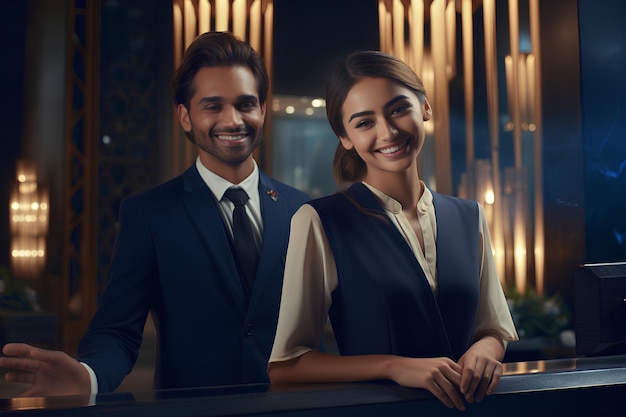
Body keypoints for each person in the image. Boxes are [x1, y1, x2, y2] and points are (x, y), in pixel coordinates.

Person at [0, 31, 309, 397]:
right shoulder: (150, 215)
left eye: (245, 104)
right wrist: (89, 377)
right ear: (185, 117)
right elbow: (117, 330)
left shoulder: (301, 210)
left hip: (294, 406)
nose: (233, 120)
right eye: (212, 106)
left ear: (261, 108)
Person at [267, 50, 519, 411]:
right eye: (364, 122)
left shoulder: (469, 215)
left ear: (425, 108)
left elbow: (493, 328)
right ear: (345, 137)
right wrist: (393, 366)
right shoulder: (320, 221)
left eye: (398, 109)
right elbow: (286, 365)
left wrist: (484, 349)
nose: (388, 131)